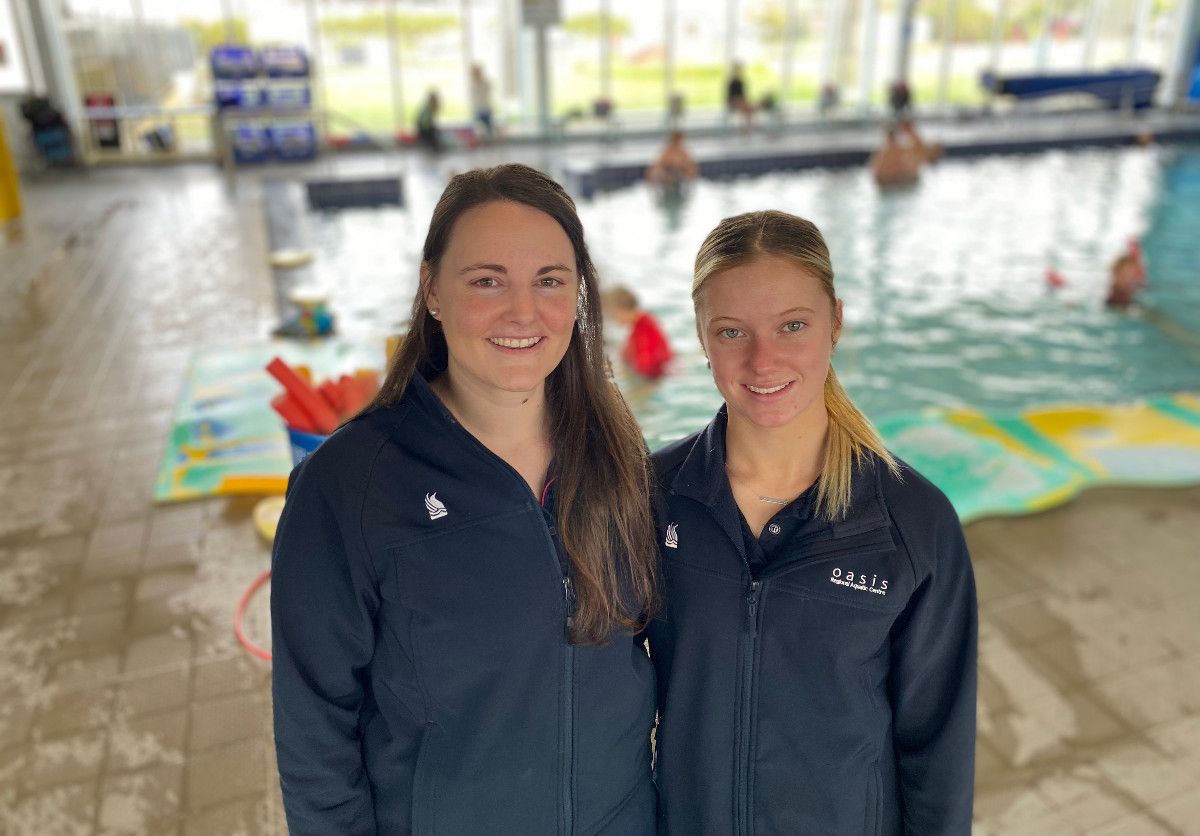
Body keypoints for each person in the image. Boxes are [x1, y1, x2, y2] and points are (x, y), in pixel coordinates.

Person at [272, 164, 660, 834]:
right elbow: (315, 739)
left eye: (550, 281)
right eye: (487, 281)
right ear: (432, 291)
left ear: (577, 295)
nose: (522, 312)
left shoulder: (614, 451)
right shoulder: (350, 487)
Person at [649, 210, 977, 834]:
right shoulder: (652, 496)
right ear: (701, 338)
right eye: (731, 331)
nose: (763, 361)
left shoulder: (911, 523)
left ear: (836, 323)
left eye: (792, 326)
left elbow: (938, 749)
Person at [603, 286, 673, 379]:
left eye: (611, 315)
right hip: (653, 372)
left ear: (620, 311)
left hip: (655, 378)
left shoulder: (645, 329)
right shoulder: (639, 325)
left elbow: (646, 367)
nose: (611, 319)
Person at [726, 62, 754, 131]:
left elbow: (743, 95)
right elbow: (730, 96)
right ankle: (744, 128)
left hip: (741, 101)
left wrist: (744, 101)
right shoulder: (731, 82)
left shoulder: (741, 82)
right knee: (744, 107)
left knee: (749, 108)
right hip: (734, 101)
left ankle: (747, 127)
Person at [470, 64, 494, 141]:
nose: (477, 75)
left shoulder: (486, 83)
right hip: (478, 111)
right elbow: (474, 100)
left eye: (478, 72)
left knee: (489, 131)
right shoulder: (473, 85)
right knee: (478, 131)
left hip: (486, 110)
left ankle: (489, 144)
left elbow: (488, 92)